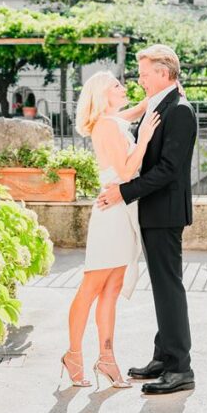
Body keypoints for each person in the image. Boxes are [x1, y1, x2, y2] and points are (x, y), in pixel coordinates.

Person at [97, 45, 197, 395]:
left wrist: (124, 193)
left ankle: (181, 368)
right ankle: (164, 356)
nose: (139, 80)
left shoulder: (180, 111)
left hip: (165, 212)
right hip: (154, 210)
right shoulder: (162, 105)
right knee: (162, 286)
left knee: (169, 287)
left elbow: (169, 171)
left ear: (165, 73)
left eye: (145, 73)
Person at [60, 70, 160, 390]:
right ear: (104, 95)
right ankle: (73, 354)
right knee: (92, 286)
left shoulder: (114, 119)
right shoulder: (105, 125)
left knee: (112, 290)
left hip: (123, 210)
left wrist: (162, 88)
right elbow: (127, 170)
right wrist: (143, 140)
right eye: (117, 85)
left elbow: (137, 109)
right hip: (112, 211)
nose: (123, 87)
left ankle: (106, 357)